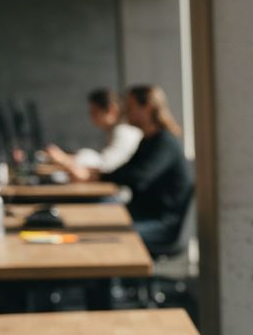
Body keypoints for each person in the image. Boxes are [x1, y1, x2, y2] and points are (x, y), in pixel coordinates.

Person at [52, 85, 192, 254]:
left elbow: (138, 177)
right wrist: (95, 175)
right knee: (94, 216)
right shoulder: (148, 140)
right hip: (141, 212)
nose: (125, 112)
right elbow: (125, 171)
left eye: (130, 107)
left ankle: (106, 278)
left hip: (161, 224)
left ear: (147, 107)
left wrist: (95, 177)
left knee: (97, 230)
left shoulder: (165, 142)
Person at [44, 88, 142, 175]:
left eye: (94, 112)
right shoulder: (114, 131)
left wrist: (65, 160)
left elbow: (105, 166)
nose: (91, 117)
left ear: (111, 110)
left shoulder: (124, 132)